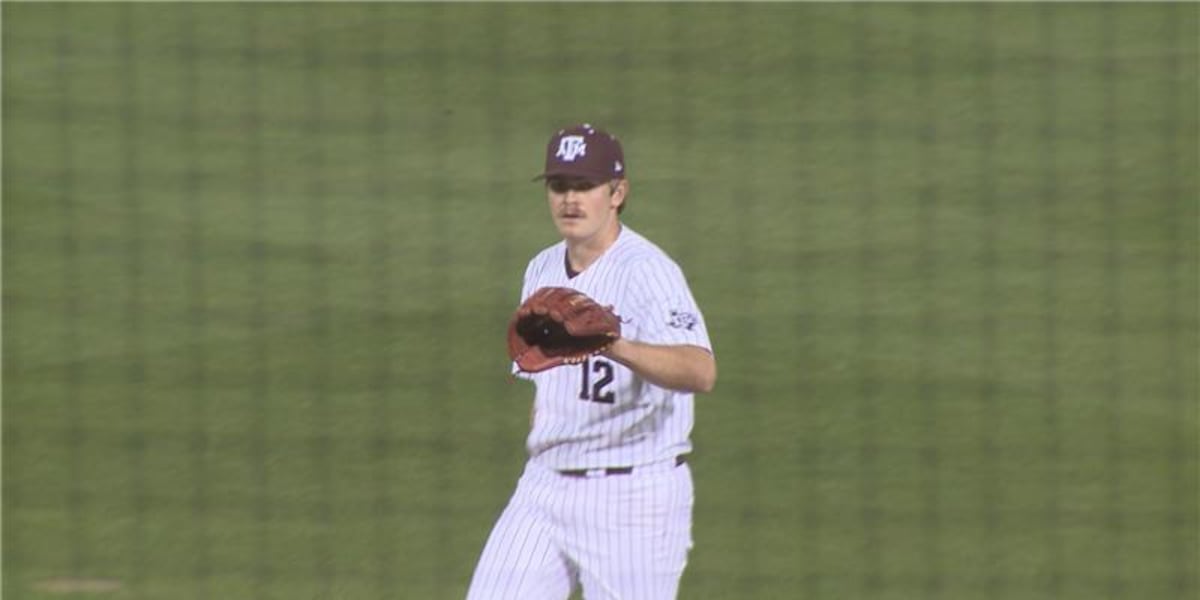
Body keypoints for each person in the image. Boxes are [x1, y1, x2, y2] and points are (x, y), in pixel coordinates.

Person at [466, 123, 717, 599]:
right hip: (544, 488)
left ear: (617, 193)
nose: (570, 199)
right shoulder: (541, 268)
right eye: (559, 186)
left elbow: (700, 372)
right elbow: (546, 382)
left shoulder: (648, 271)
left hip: (633, 500)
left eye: (585, 186)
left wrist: (613, 344)